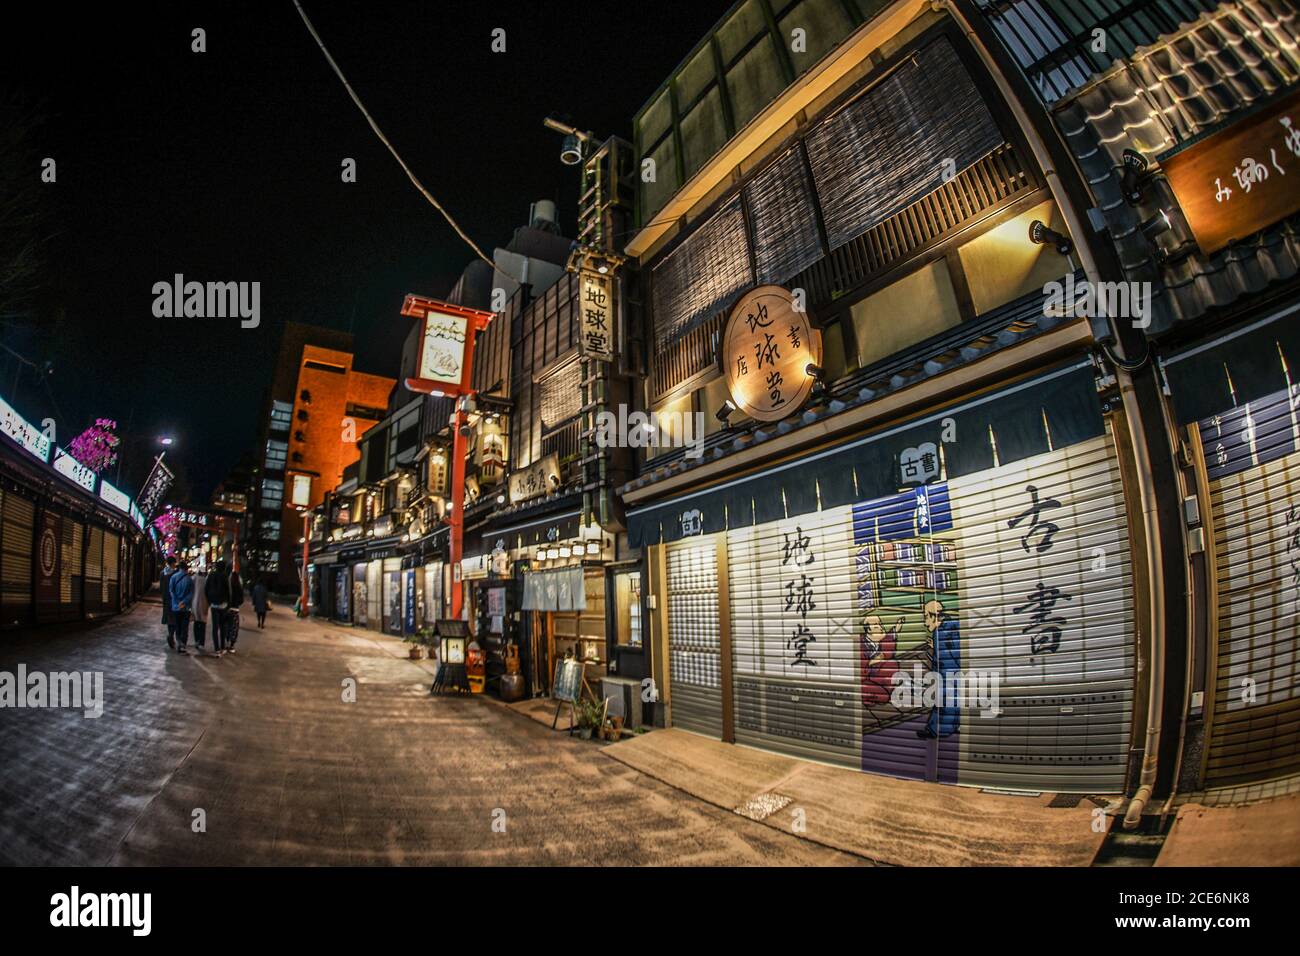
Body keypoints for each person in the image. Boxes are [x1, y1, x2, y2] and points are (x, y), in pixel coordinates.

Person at [205, 559, 230, 656]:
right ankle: (223, 646)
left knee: (215, 628)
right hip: (223, 604)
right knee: (223, 626)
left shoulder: (211, 575)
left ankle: (216, 648)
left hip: (214, 605)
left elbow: (206, 588)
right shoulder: (225, 576)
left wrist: (209, 601)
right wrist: (228, 603)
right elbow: (228, 591)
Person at [168, 561, 194, 655]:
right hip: (186, 608)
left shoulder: (173, 577)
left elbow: (171, 591)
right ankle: (182, 645)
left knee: (178, 625)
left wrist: (178, 602)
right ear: (186, 568)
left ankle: (178, 641)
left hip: (176, 607)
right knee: (185, 627)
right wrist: (184, 602)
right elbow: (191, 593)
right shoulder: (189, 579)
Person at [159, 556, 178, 650]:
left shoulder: (162, 573)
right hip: (174, 599)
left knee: (168, 617)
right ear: (173, 563)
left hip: (166, 599)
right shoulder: (175, 573)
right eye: (175, 563)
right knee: (174, 618)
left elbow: (161, 587)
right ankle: (171, 635)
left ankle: (171, 635)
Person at [227, 568, 245, 653]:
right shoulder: (239, 587)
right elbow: (242, 600)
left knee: (227, 625)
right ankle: (232, 645)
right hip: (235, 609)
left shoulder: (228, 586)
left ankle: (225, 642)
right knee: (234, 627)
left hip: (227, 609)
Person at [192, 566, 210, 654]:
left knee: (196, 623)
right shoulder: (207, 580)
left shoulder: (194, 578)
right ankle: (201, 643)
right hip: (204, 603)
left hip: (195, 603)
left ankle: (196, 641)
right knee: (202, 624)